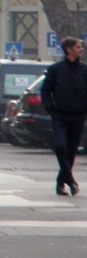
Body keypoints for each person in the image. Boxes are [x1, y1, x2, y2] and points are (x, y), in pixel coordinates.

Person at [41, 36, 87, 196]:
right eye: (78, 47)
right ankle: (71, 180)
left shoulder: (84, 69)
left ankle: (61, 183)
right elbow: (45, 90)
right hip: (60, 115)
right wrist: (50, 107)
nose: (81, 49)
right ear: (69, 50)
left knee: (72, 150)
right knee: (60, 146)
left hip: (79, 115)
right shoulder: (56, 69)